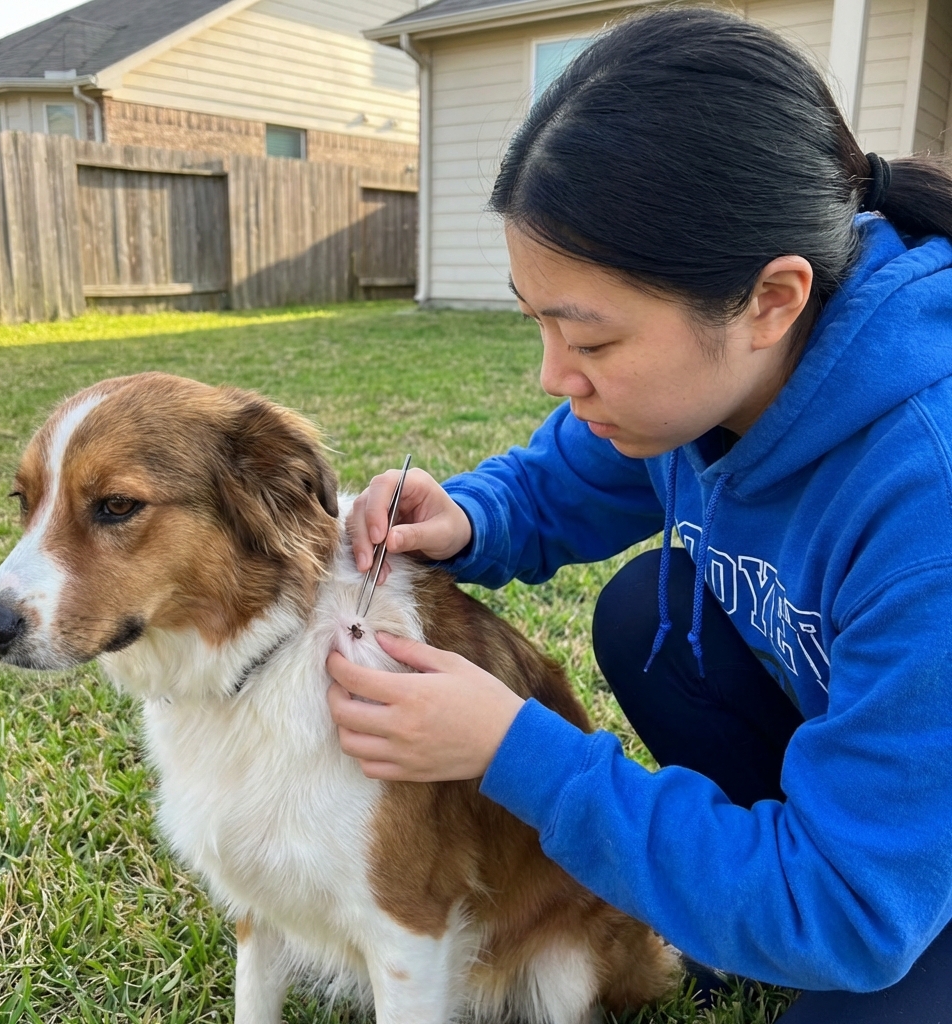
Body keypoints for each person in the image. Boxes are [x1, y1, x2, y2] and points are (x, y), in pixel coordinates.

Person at [325, 7, 952, 1021]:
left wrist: (511, 750)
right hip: (889, 759)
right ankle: (753, 881)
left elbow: (852, 911)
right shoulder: (710, 386)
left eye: (591, 341)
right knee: (647, 609)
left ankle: (775, 889)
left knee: (837, 947)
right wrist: (470, 518)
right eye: (537, 321)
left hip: (915, 840)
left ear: (769, 299)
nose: (551, 376)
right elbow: (562, 479)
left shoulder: (927, 497)